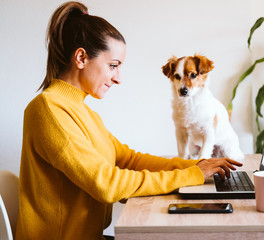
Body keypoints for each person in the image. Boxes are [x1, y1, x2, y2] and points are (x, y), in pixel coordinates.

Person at [16, 2, 242, 240]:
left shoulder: (82, 111)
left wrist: (197, 166)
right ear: (81, 58)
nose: (118, 78)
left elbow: (128, 161)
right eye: (113, 66)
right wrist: (193, 175)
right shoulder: (49, 110)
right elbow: (107, 184)